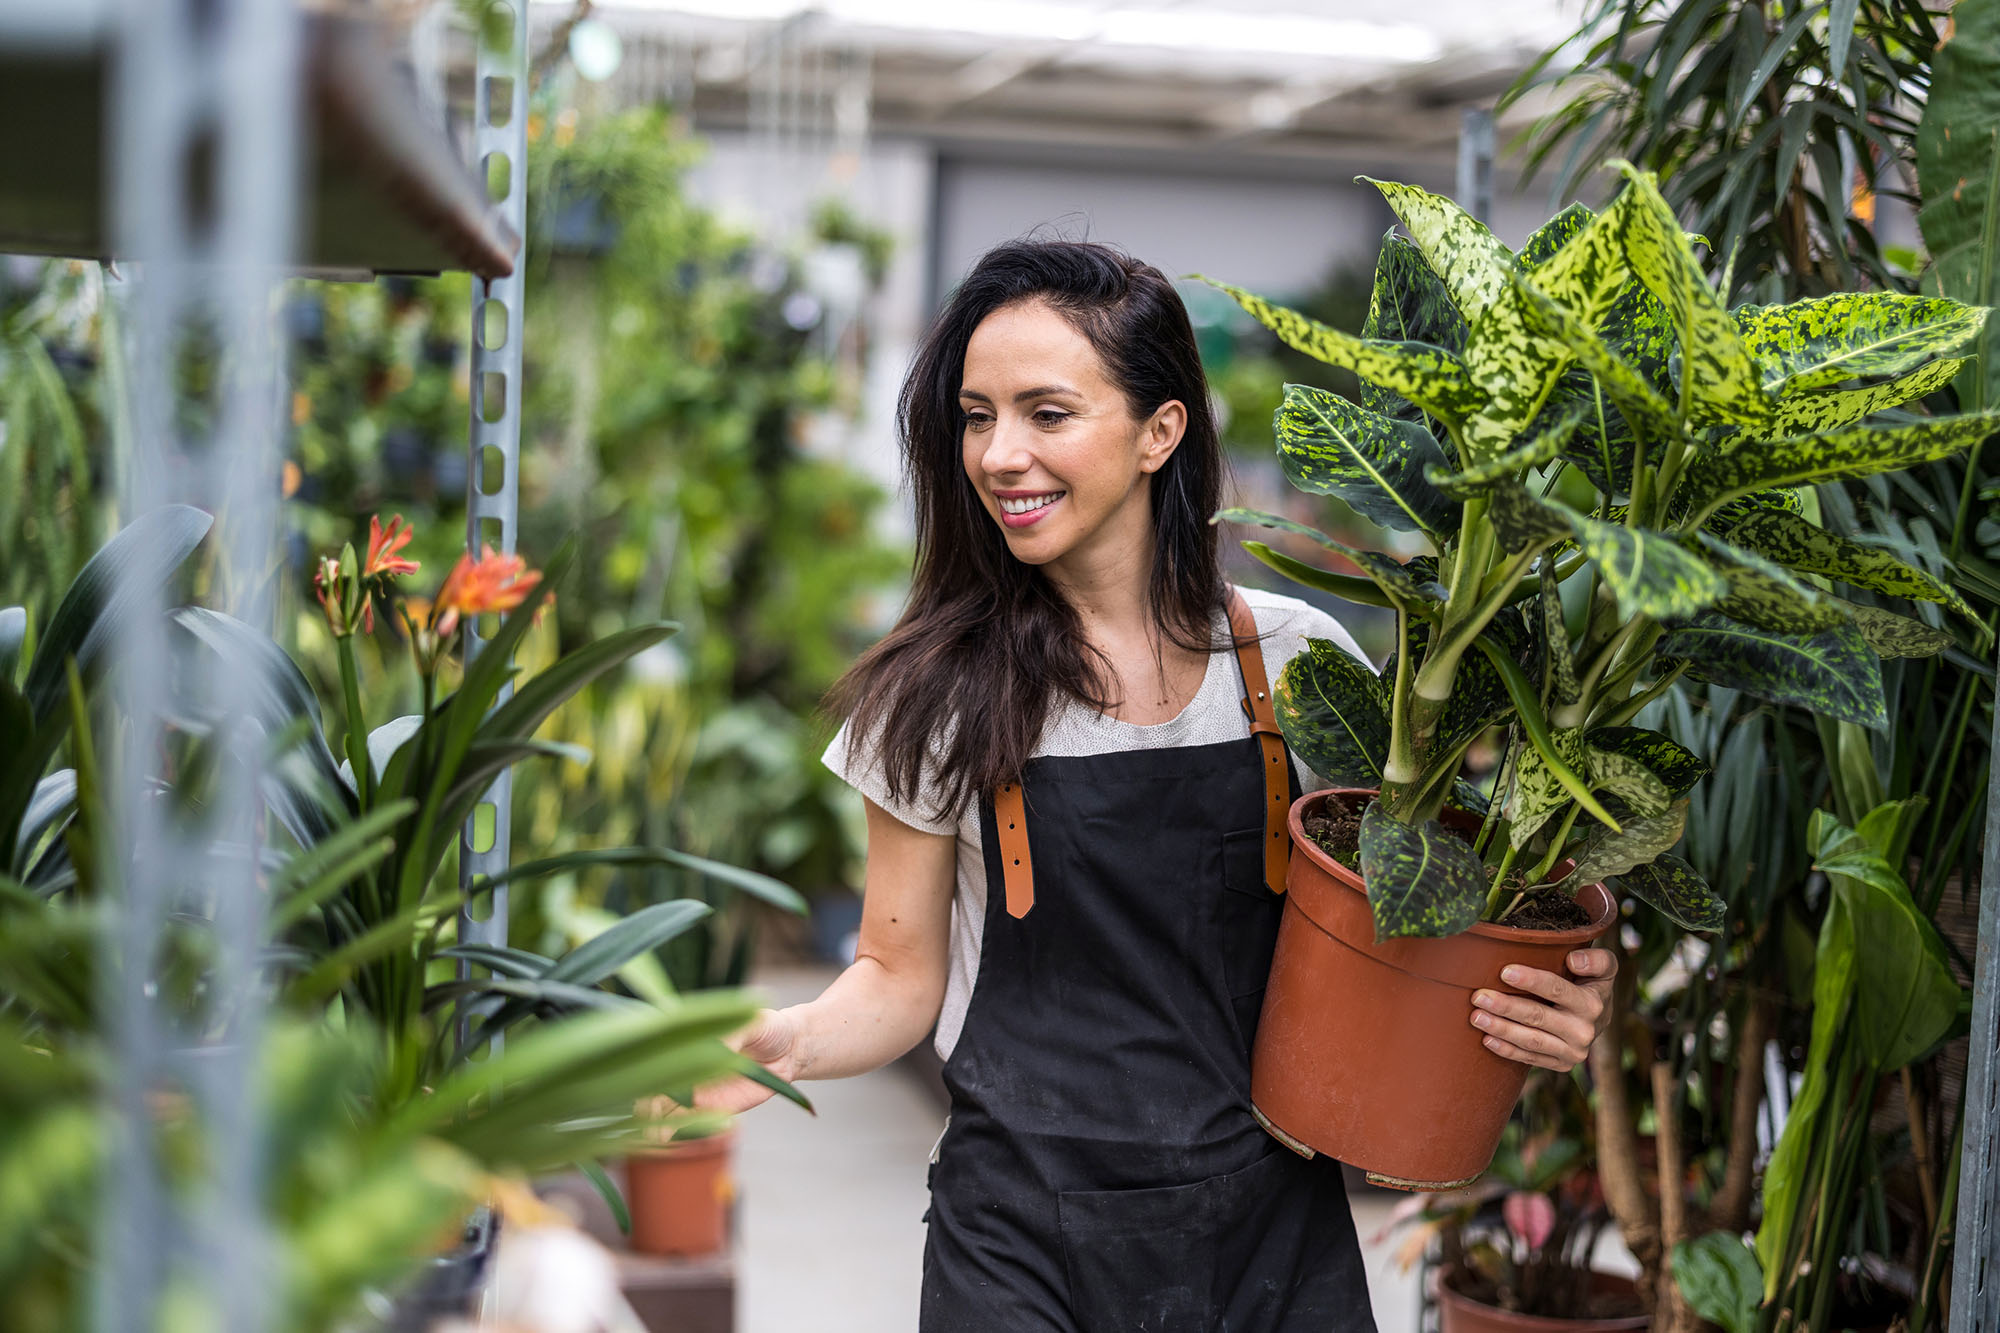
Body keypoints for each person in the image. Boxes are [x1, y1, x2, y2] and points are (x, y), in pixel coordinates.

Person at [705, 239, 1618, 1331]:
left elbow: (1404, 935)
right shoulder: (936, 694)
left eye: (1046, 414)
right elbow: (897, 976)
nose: (998, 454)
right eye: (975, 415)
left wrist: (1530, 999)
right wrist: (789, 1040)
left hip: (1267, 1235)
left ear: (1159, 430)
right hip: (1020, 1241)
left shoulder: (1296, 667)